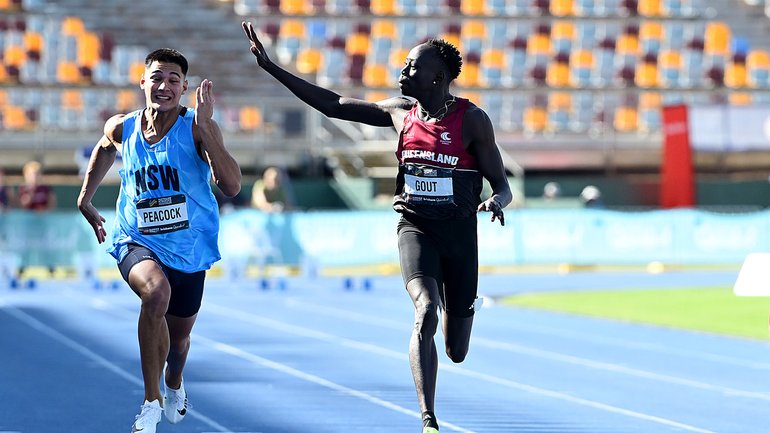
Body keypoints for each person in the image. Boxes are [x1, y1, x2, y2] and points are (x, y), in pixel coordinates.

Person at [242, 22, 512, 433]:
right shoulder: (399, 112)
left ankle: (461, 310)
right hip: (415, 227)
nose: (402, 72)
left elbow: (503, 185)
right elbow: (333, 104)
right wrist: (272, 67)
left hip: (459, 237)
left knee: (456, 350)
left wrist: (496, 200)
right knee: (424, 310)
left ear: (438, 77)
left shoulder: (472, 121)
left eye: (411, 66)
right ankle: (428, 419)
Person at [76, 48, 241, 433]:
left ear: (184, 88)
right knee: (155, 293)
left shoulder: (197, 128)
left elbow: (231, 185)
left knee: (179, 342)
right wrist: (85, 198)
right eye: (156, 77)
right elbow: (105, 148)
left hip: (189, 247)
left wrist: (207, 127)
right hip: (136, 238)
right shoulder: (123, 126)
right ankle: (151, 401)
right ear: (143, 82)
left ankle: (174, 382)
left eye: (172, 80)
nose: (163, 86)